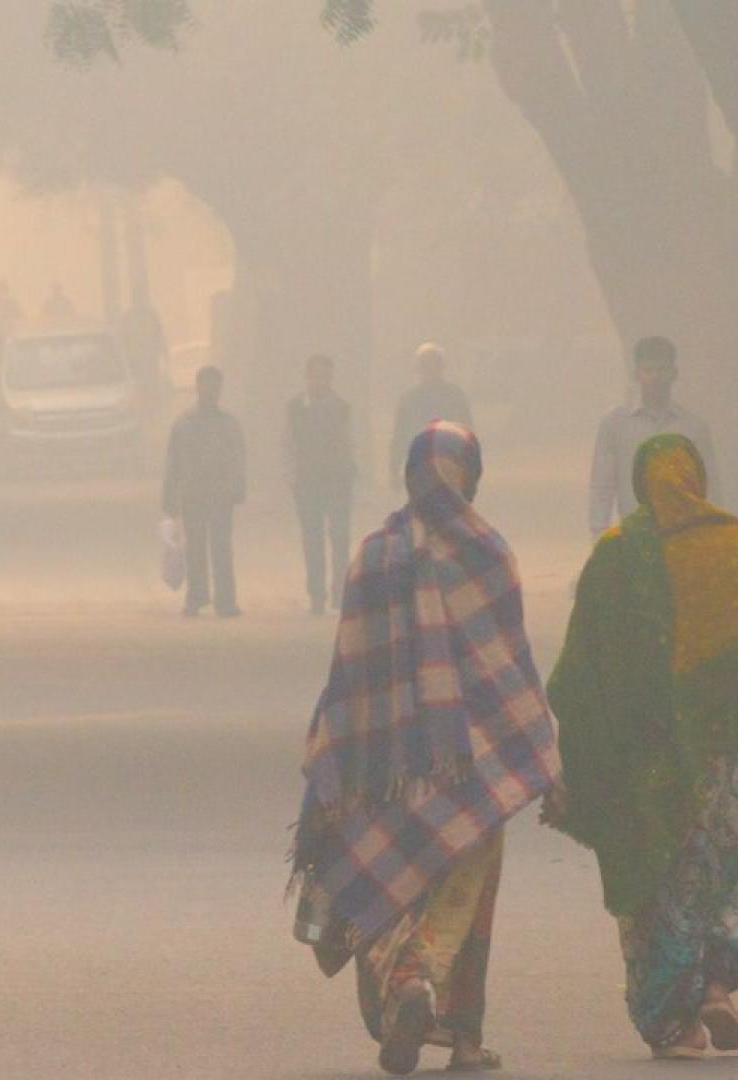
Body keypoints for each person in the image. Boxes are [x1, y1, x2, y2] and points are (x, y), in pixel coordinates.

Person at [291, 422, 564, 1076]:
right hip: (475, 767)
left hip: (381, 767)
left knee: (392, 880)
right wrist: (542, 753)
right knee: (469, 898)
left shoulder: (372, 556)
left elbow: (348, 671)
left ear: (410, 473)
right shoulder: (487, 553)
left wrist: (337, 757)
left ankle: (407, 990)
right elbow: (511, 665)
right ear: (471, 474)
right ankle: (459, 1029)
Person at [544, 434, 738, 1060]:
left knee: (659, 880)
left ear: (638, 483)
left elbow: (580, 675)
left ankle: (672, 1021)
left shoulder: (614, 556)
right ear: (698, 477)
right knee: (733, 869)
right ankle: (717, 985)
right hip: (735, 753)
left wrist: (577, 762)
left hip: (648, 767)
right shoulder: (735, 543)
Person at [588, 336, 719, 536]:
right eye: (648, 370)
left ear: (674, 374)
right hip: (634, 536)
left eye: (662, 370)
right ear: (637, 375)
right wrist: (599, 536)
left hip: (683, 537)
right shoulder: (614, 425)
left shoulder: (693, 428)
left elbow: (709, 488)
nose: (655, 377)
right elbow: (602, 486)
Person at [160, 366, 245, 617]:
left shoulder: (229, 424)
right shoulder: (183, 424)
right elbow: (174, 461)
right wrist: (169, 495)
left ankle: (225, 601)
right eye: (207, 385)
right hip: (193, 493)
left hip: (221, 494)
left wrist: (238, 485)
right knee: (196, 547)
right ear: (198, 387)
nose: (212, 391)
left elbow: (237, 457)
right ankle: (197, 597)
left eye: (216, 386)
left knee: (221, 548)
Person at [283, 353, 355, 615]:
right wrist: (292, 478)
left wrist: (349, 472)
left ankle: (340, 593)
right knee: (312, 539)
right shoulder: (294, 408)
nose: (319, 381)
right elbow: (288, 444)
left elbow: (349, 443)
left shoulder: (342, 407)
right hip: (307, 483)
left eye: (324, 375)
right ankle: (316, 594)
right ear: (306, 376)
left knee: (339, 537)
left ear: (330, 377)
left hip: (337, 481)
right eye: (315, 375)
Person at [387, 344, 473, 488]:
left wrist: (394, 470)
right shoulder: (454, 395)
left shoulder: (411, 398)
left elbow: (399, 437)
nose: (430, 370)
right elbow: (400, 436)